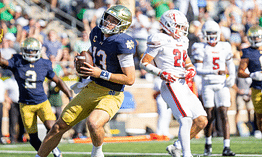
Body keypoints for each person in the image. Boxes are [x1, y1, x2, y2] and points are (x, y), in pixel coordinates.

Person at [36, 5, 137, 157]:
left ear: (122, 25)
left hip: (112, 93)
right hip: (92, 87)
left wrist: (100, 73)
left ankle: (97, 153)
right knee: (58, 126)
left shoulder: (122, 42)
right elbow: (94, 52)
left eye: (114, 20)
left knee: (94, 123)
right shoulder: (97, 32)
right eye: (108, 18)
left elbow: (129, 79)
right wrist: (83, 59)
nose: (108, 22)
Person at [0, 30, 73, 157]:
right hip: (26, 105)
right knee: (33, 138)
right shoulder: (17, 60)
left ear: (39, 50)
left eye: (33, 50)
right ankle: (43, 153)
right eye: (28, 50)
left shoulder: (44, 63)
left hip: (42, 102)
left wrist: (70, 95)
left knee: (53, 128)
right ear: (23, 50)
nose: (30, 53)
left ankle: (55, 150)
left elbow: (57, 80)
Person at [140, 10, 208, 157]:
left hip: (183, 84)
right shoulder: (159, 38)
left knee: (202, 120)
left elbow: (187, 62)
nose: (182, 30)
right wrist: (161, 72)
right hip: (170, 83)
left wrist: (191, 70)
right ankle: (187, 154)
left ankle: (176, 147)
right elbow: (144, 62)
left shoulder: (182, 40)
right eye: (178, 26)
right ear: (168, 24)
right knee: (186, 118)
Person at [191, 20, 236, 156]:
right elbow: (198, 69)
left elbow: (231, 63)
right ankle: (208, 143)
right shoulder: (200, 47)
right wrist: (214, 71)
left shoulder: (225, 46)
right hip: (208, 84)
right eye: (208, 33)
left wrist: (232, 76)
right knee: (209, 115)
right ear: (204, 34)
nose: (211, 35)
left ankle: (226, 147)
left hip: (221, 84)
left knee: (224, 113)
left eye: (213, 33)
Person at [238, 25, 262, 141]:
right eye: (254, 37)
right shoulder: (247, 52)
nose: (256, 39)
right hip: (257, 87)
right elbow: (240, 72)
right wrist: (251, 75)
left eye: (258, 37)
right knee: (259, 116)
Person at [4, 75, 25, 143]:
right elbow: (2, 91)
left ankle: (20, 137)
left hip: (22, 103)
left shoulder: (23, 80)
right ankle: (12, 138)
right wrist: (7, 99)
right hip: (13, 103)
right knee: (13, 121)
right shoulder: (9, 81)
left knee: (22, 121)